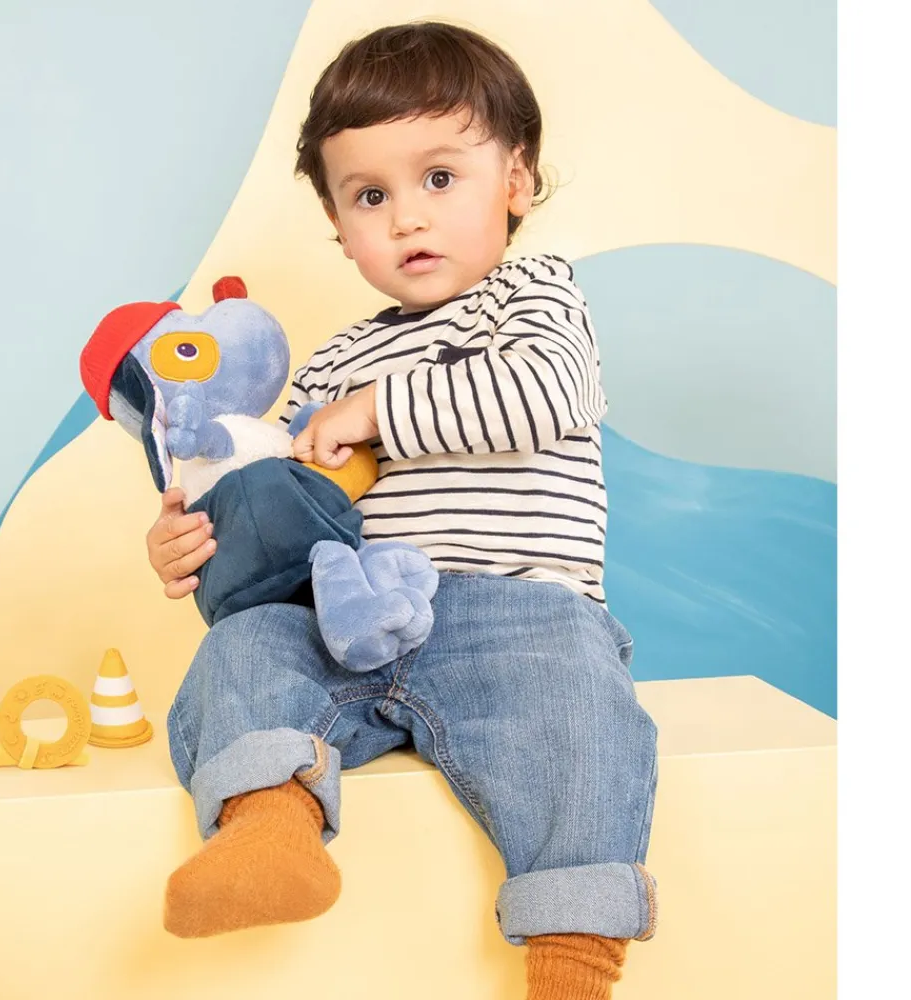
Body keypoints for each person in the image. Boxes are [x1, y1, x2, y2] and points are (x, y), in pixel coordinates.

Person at [144, 21, 658, 999]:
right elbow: (286, 506)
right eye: (370, 196)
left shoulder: (530, 297)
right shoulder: (334, 360)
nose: (407, 218)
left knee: (581, 716)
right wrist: (197, 535)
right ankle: (270, 827)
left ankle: (572, 957)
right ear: (339, 227)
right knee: (246, 646)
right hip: (351, 616)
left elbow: (544, 392)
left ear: (516, 181)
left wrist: (377, 411)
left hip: (515, 608)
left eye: (440, 178)